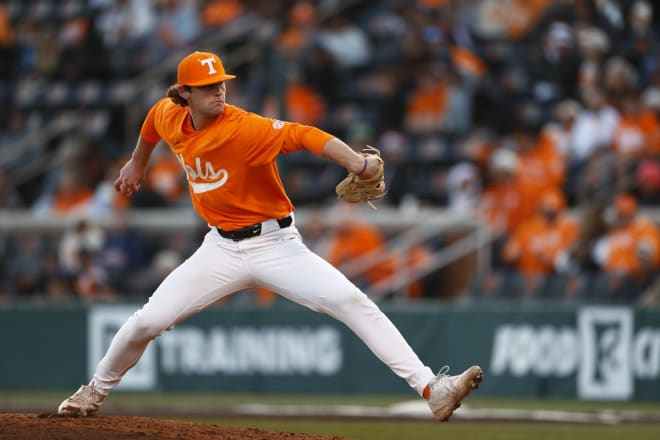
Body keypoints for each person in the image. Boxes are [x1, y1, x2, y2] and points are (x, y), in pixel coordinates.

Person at [57, 51, 482, 421]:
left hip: (276, 245)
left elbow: (305, 134)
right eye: (207, 87)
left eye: (221, 83)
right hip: (220, 248)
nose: (218, 92)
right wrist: (137, 163)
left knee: (352, 302)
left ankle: (432, 390)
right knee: (147, 321)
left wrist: (356, 161)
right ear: (183, 93)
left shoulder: (244, 128)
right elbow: (152, 122)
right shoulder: (169, 114)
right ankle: (94, 390)